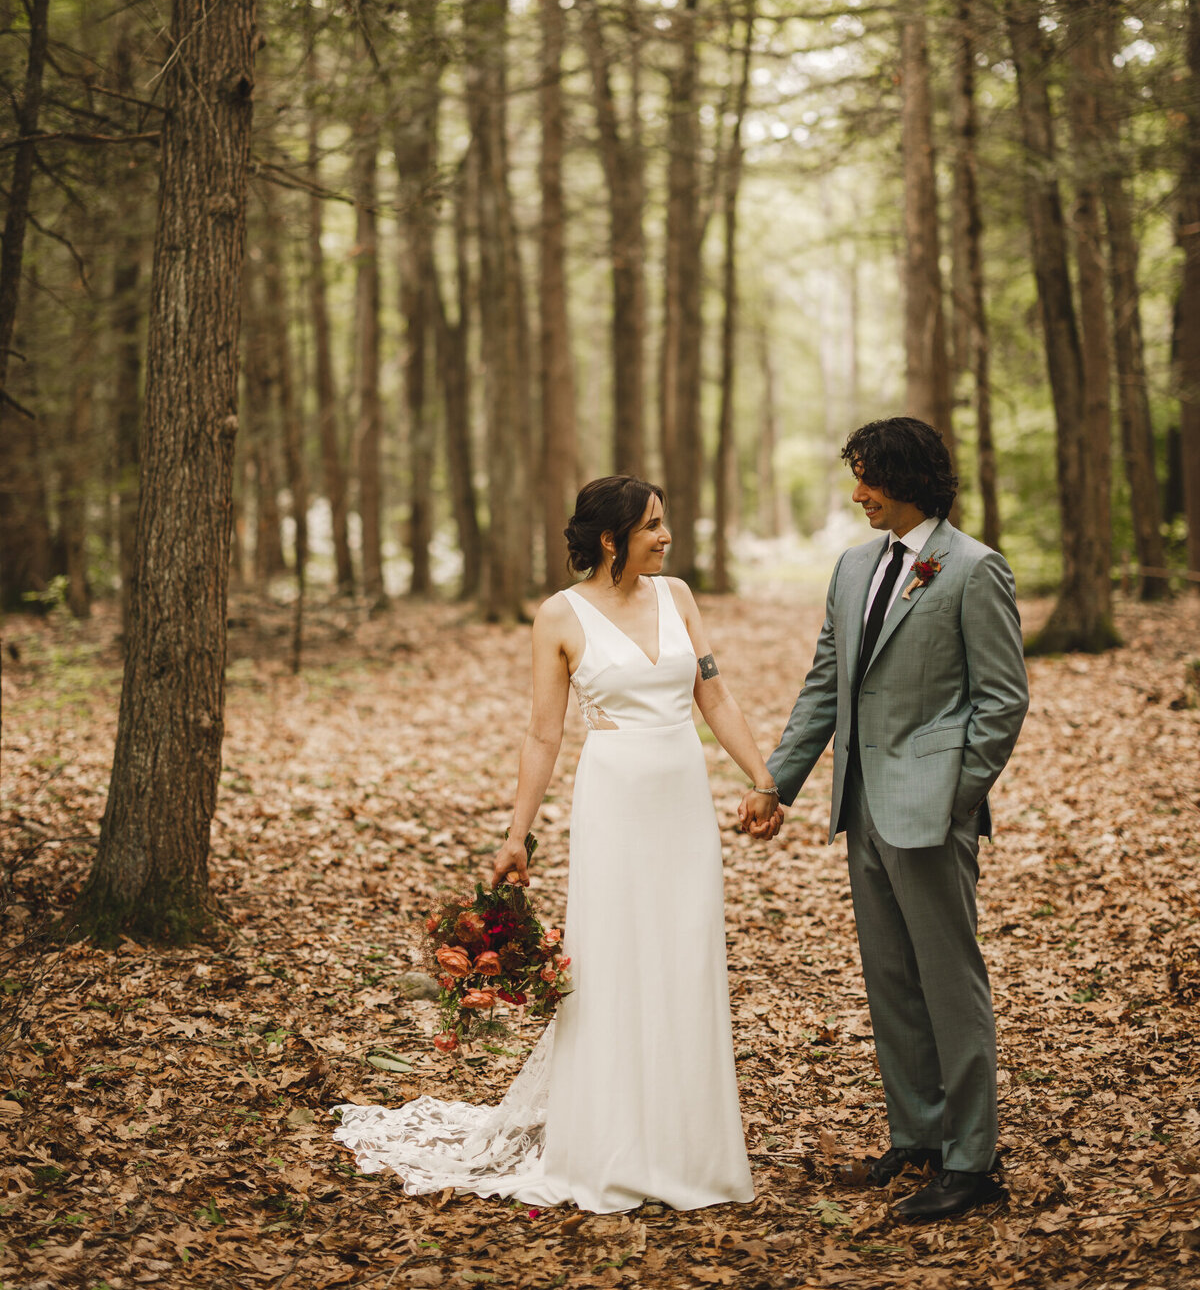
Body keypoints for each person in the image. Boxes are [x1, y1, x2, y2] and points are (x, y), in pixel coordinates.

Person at [332, 475, 778, 1212]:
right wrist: (517, 833)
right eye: (653, 526)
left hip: (682, 802)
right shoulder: (559, 617)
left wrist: (760, 772)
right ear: (611, 538)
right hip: (613, 803)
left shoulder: (681, 598)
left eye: (665, 524)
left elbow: (714, 695)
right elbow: (544, 732)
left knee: (685, 955)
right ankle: (609, 1145)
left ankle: (689, 1146)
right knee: (612, 968)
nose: (667, 536)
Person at [742, 417, 1027, 1222]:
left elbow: (1002, 702)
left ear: (907, 478)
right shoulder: (854, 565)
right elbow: (827, 680)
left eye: (868, 477)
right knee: (891, 979)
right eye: (855, 475)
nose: (858, 493)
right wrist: (778, 782)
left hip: (931, 812)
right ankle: (919, 1133)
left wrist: (955, 796)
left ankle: (971, 1161)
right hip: (860, 804)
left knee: (949, 980)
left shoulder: (974, 569)